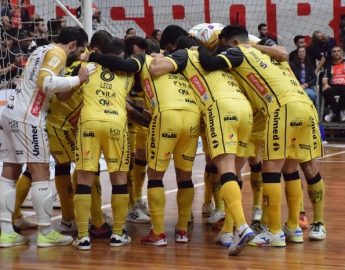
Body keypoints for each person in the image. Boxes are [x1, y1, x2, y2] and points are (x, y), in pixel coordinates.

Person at [198, 25, 323, 247]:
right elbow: (284, 52)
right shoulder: (271, 54)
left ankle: (274, 231)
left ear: (231, 42)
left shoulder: (238, 52)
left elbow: (208, 63)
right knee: (292, 169)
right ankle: (293, 228)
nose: (222, 49)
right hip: (307, 106)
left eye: (223, 44)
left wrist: (197, 46)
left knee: (271, 171)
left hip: (281, 108)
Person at [81, 35, 201, 246]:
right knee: (185, 177)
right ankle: (182, 230)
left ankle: (158, 233)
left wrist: (91, 56)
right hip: (192, 115)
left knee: (155, 177)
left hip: (165, 115)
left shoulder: (143, 61)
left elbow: (123, 64)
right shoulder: (182, 64)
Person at [149, 34, 255, 255]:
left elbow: (156, 69)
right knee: (235, 172)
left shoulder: (186, 54)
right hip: (245, 109)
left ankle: (242, 226)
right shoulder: (219, 59)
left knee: (223, 168)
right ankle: (228, 231)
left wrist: (160, 56)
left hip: (220, 107)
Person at [0, 26, 93, 248]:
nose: (78, 54)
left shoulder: (41, 50)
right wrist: (77, 79)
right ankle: (46, 232)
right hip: (29, 118)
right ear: (72, 45)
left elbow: (58, 94)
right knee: (40, 171)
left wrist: (75, 83)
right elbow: (46, 82)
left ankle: (6, 233)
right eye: (79, 50)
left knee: (9, 172)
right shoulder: (59, 54)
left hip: (10, 111)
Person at [73, 37, 134, 250]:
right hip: (116, 122)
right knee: (119, 178)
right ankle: (117, 233)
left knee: (83, 178)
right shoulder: (128, 71)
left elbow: (63, 94)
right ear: (121, 55)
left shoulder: (85, 66)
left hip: (89, 122)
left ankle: (82, 237)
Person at [322, 46, 345, 122]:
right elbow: (324, 79)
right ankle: (340, 111)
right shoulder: (329, 65)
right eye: (334, 51)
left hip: (344, 85)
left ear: (342, 53)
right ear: (331, 54)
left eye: (338, 51)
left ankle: (333, 112)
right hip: (333, 85)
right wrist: (325, 85)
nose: (336, 53)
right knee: (326, 91)